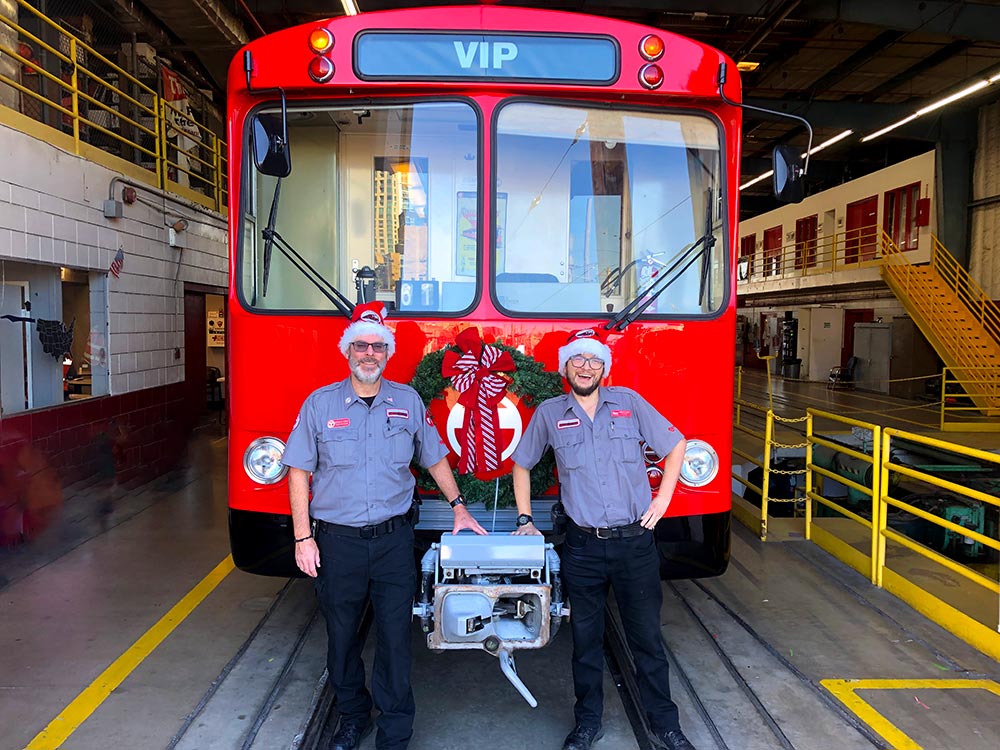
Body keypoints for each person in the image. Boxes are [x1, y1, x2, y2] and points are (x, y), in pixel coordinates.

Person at [283, 302, 487, 750]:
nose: (369, 353)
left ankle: (395, 730)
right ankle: (353, 715)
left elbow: (433, 456)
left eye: (377, 346)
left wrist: (458, 507)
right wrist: (303, 538)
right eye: (361, 345)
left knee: (395, 641)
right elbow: (298, 471)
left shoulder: (407, 402)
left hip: (394, 542)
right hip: (337, 544)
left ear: (387, 354)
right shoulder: (319, 405)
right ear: (348, 351)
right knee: (342, 640)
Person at [511, 328, 695, 750]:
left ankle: (666, 725)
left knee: (646, 639)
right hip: (583, 549)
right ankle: (587, 724)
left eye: (594, 360)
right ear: (565, 367)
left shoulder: (628, 403)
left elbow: (676, 444)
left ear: (604, 368)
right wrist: (525, 518)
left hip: (635, 544)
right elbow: (522, 464)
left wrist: (663, 499)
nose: (586, 366)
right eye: (578, 360)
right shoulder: (550, 413)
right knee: (585, 643)